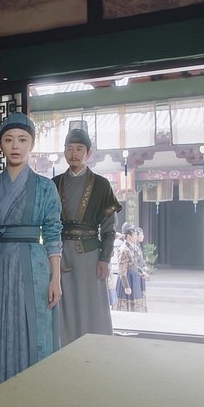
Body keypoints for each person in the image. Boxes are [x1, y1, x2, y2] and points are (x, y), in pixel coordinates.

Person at [0, 113, 63, 396]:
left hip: (32, 266)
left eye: (22, 140)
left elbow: (52, 233)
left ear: (31, 144)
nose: (15, 146)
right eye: (9, 139)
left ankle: (32, 394)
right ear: (0, 144)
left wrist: (55, 278)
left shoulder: (45, 187)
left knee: (31, 327)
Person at [52, 126, 122, 347]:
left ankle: (95, 348)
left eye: (79, 149)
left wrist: (105, 258)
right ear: (64, 151)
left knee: (91, 304)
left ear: (88, 153)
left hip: (90, 256)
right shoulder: (54, 184)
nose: (73, 153)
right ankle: (63, 348)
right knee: (62, 303)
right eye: (69, 148)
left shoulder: (101, 184)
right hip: (60, 253)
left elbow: (109, 227)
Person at [114, 223, 148, 312]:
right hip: (127, 278)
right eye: (135, 234)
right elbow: (122, 270)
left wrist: (141, 272)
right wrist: (126, 286)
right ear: (129, 236)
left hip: (134, 277)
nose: (136, 236)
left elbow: (134, 264)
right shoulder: (124, 249)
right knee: (125, 305)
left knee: (136, 305)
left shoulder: (134, 247)